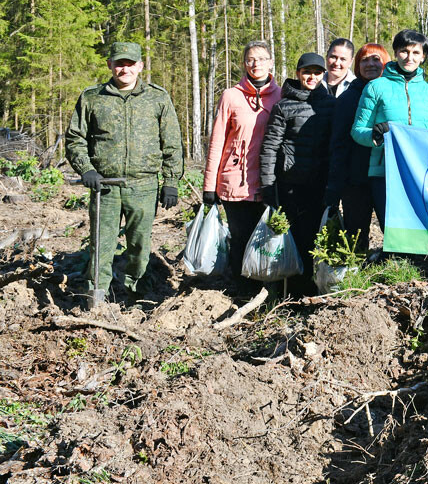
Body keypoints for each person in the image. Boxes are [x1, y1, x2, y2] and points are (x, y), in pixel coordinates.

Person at [66, 42, 183, 309]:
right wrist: (87, 169)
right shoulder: (92, 97)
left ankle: (138, 297)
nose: (124, 69)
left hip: (143, 186)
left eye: (130, 64)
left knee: (140, 247)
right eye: (119, 63)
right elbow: (75, 138)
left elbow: (172, 143)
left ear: (140, 66)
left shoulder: (157, 98)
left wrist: (171, 182)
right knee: (101, 245)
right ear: (110, 65)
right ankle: (94, 300)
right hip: (104, 187)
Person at [202, 40, 283, 289]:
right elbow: (216, 141)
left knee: (268, 237)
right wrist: (209, 184)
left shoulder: (281, 95)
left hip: (270, 181)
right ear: (244, 64)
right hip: (235, 180)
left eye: (261, 58)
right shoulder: (231, 96)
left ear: (271, 62)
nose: (255, 63)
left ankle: (267, 286)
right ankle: (239, 288)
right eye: (250, 59)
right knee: (240, 237)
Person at [259, 53, 335, 294]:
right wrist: (268, 185)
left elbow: (336, 145)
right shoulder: (284, 106)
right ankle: (287, 291)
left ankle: (312, 289)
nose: (311, 77)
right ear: (298, 73)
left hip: (320, 184)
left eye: (317, 72)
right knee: (290, 237)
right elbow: (270, 146)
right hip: (290, 185)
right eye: (306, 72)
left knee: (315, 237)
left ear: (323, 75)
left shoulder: (331, 105)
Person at [352, 30, 428, 220]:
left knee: (420, 228)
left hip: (421, 170)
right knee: (392, 230)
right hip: (384, 171)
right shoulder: (376, 87)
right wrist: (376, 136)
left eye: (416, 53)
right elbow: (357, 130)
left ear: (423, 57)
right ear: (395, 53)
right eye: (404, 51)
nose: (409, 57)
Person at [325, 43, 390, 255]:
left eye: (376, 59)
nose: (370, 64)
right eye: (364, 60)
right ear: (357, 65)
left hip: (388, 176)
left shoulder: (393, 93)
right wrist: (336, 184)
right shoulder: (348, 99)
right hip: (356, 180)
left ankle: (393, 271)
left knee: (391, 231)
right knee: (355, 236)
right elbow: (338, 144)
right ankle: (355, 276)